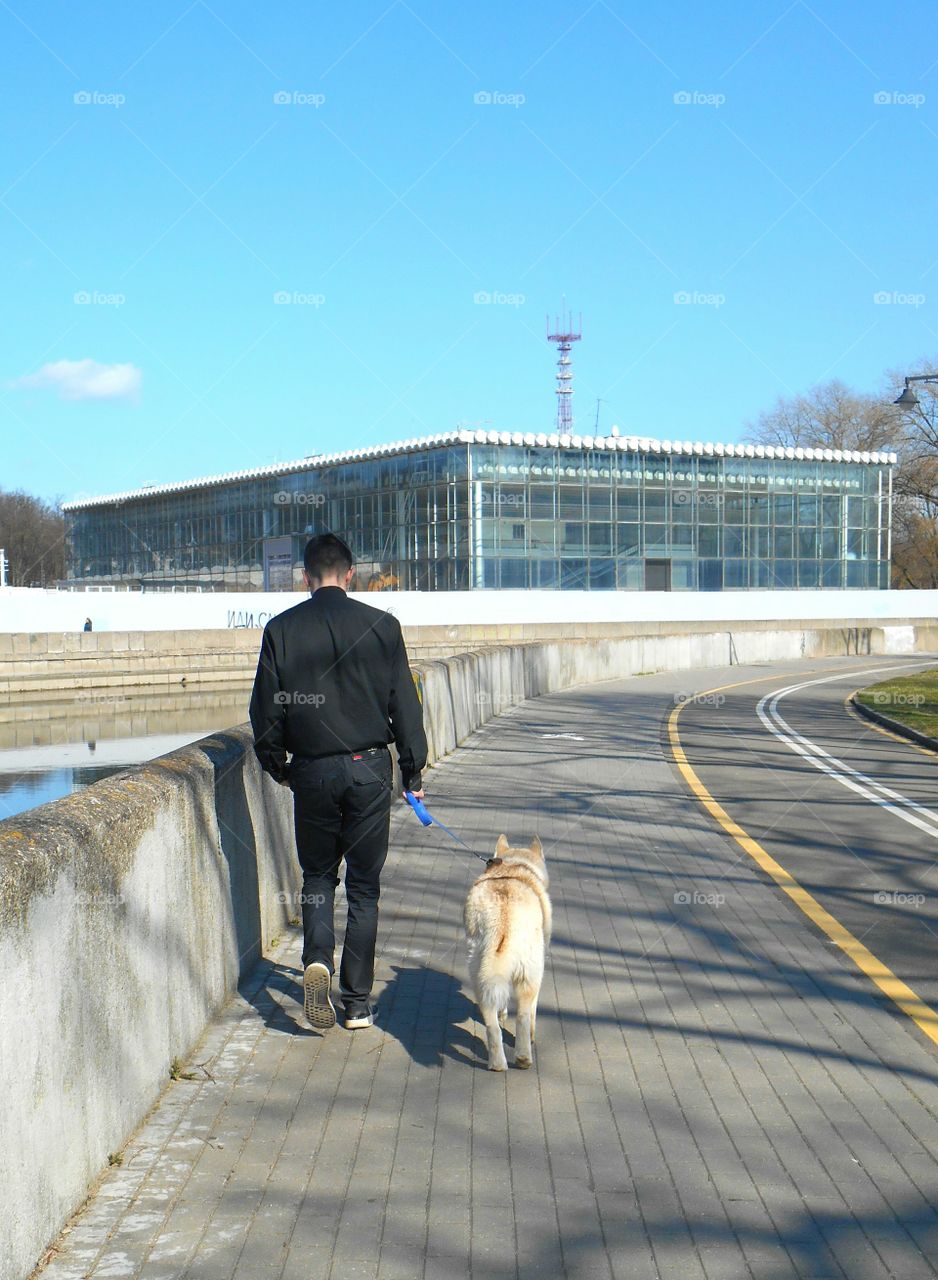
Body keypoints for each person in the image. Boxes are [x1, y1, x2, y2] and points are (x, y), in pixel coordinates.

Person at [249, 533, 428, 1032]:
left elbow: (265, 711)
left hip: (312, 770)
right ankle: (355, 1005)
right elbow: (405, 706)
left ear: (306, 577)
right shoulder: (383, 627)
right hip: (370, 767)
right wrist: (413, 769)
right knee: (365, 888)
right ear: (350, 575)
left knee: (318, 877)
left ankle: (318, 959)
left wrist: (278, 764)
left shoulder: (280, 630)